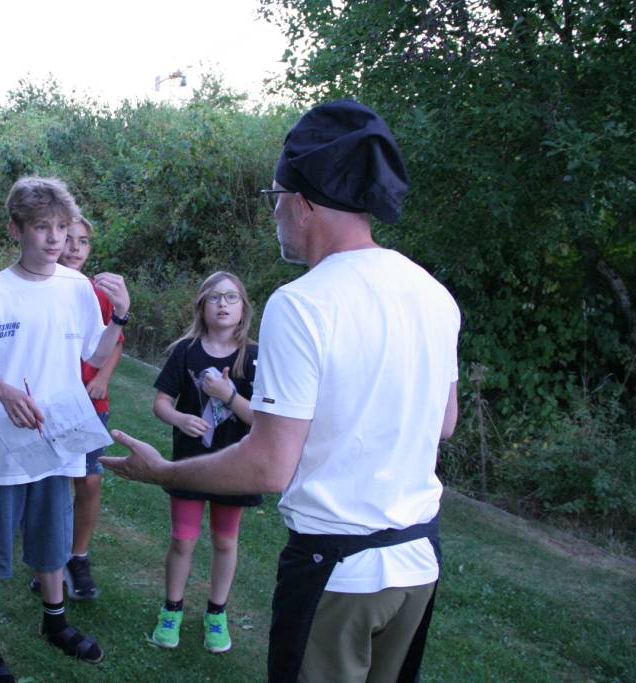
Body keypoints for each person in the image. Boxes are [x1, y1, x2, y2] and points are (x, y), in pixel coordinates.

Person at [102, 99, 460, 682]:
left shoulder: (303, 303)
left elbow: (268, 466)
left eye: (275, 197)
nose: (274, 213)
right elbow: (443, 422)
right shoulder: (432, 294)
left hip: (337, 571)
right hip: (418, 563)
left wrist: (164, 472)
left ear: (303, 202)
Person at [0, 176, 130, 683]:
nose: (55, 238)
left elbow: (94, 353)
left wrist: (120, 316)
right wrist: (7, 393)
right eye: (41, 227)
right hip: (5, 442)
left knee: (53, 535)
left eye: (61, 227)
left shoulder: (77, 287)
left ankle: (55, 622)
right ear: (16, 229)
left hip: (60, 437)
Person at [149, 271, 261, 654]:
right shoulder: (186, 351)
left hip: (236, 466)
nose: (223, 304)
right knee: (183, 539)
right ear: (202, 306)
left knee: (225, 540)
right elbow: (161, 403)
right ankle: (172, 609)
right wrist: (180, 418)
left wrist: (228, 395)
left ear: (243, 307)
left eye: (231, 297)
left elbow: (260, 420)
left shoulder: (255, 356)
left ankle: (216, 613)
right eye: (214, 297)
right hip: (191, 463)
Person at [56, 215, 124, 599]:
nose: (75, 248)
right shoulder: (43, 287)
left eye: (83, 241)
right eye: (69, 239)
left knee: (88, 479)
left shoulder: (96, 292)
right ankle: (50, 558)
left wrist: (104, 378)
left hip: (88, 400)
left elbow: (116, 340)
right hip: (52, 402)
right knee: (52, 482)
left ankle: (77, 557)